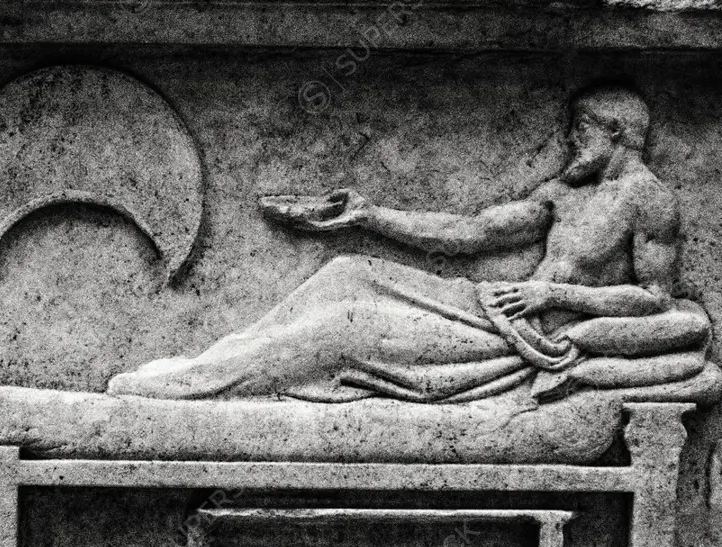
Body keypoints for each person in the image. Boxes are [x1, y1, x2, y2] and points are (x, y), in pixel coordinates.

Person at [108, 85, 711, 403]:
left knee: (349, 324)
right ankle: (211, 365)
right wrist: (369, 216)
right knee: (348, 272)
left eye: (579, 132)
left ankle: (195, 390)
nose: (570, 142)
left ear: (616, 133)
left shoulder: (649, 200)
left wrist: (553, 295)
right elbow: (474, 232)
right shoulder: (566, 193)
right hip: (488, 305)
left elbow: (656, 302)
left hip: (523, 338)